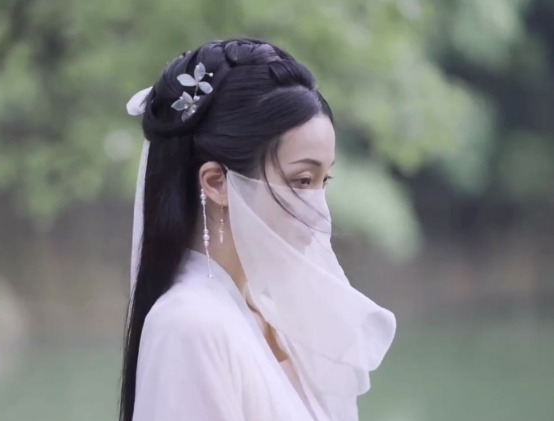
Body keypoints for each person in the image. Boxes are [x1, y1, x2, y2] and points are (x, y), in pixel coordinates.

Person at [121, 38, 396, 421]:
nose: (321, 214)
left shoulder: (272, 316)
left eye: (324, 182)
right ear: (217, 183)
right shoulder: (190, 325)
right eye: (301, 181)